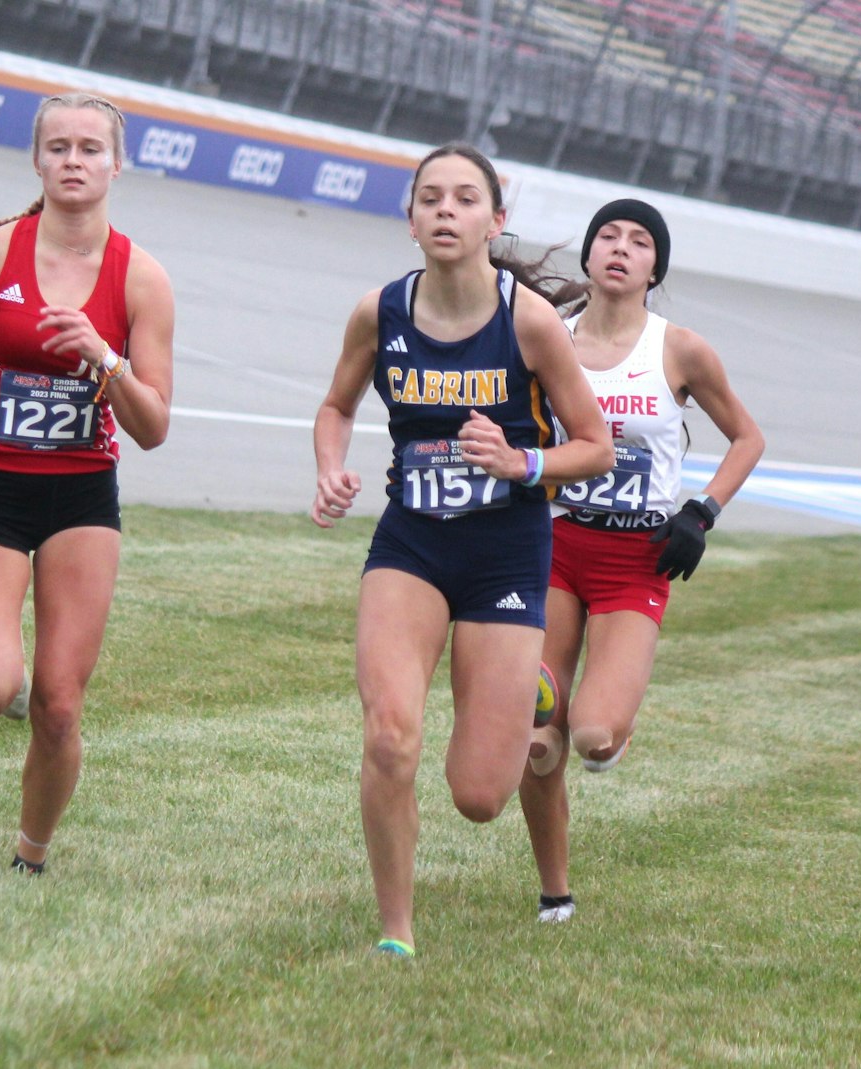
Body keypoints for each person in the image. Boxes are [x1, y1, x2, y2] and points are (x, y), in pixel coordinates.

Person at [312, 143, 614, 958]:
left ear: (494, 220)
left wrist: (522, 462)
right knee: (389, 735)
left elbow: (597, 445)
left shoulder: (528, 320)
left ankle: (536, 689)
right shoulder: (380, 312)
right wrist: (331, 468)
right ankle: (396, 931)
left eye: (464, 199)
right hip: (410, 542)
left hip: (505, 549)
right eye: (430, 198)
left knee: (480, 794)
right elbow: (336, 406)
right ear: (409, 219)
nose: (446, 210)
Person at [0, 93, 175, 876]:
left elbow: (152, 426)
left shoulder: (141, 278)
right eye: (59, 148)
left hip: (82, 495)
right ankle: (10, 684)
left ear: (118, 165)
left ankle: (31, 853)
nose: (74, 161)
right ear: (38, 160)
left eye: (90, 149)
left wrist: (103, 357)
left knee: (59, 705)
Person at [518, 198, 764, 923]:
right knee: (537, 736)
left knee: (591, 736)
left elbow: (747, 438)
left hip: (638, 558)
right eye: (607, 236)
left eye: (639, 241)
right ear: (589, 256)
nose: (620, 248)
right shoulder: (543, 335)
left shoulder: (680, 349)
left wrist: (702, 511)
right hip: (554, 546)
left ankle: (613, 725)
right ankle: (554, 892)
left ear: (656, 267)